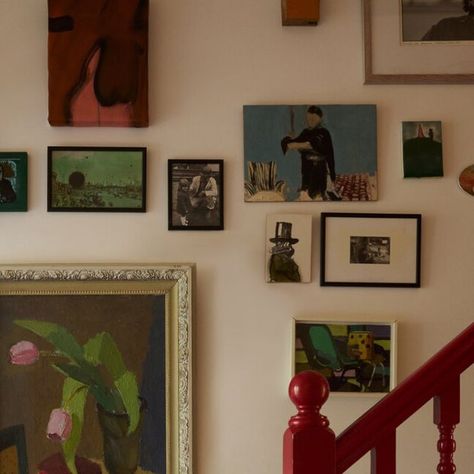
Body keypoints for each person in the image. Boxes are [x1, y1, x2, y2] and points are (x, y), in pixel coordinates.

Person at [281, 106, 341, 200]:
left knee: (318, 195)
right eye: (308, 119)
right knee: (305, 192)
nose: (310, 121)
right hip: (306, 168)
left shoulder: (324, 133)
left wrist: (332, 176)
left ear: (320, 118)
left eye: (313, 119)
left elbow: (311, 145)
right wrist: (288, 141)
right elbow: (296, 141)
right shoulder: (305, 132)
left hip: (319, 169)